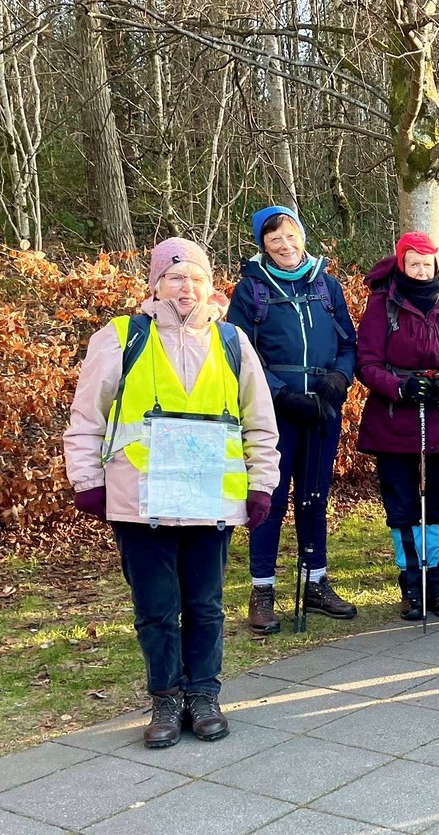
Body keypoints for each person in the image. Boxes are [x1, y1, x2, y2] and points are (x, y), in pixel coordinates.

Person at [64, 238, 280, 748]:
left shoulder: (232, 342)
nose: (187, 287)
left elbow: (259, 422)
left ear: (210, 285)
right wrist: (88, 481)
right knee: (156, 608)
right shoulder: (120, 338)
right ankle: (166, 697)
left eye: (197, 278)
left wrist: (261, 483)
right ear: (157, 283)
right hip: (140, 501)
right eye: (176, 277)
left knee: (206, 605)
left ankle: (204, 694)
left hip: (211, 502)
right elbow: (86, 419)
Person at [227, 206, 359, 634]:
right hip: (274, 410)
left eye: (290, 235)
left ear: (303, 235)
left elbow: (348, 342)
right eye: (274, 239)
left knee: (315, 496)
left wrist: (340, 377)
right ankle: (262, 589)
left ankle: (315, 580)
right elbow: (240, 351)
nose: (285, 245)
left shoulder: (327, 285)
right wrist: (281, 394)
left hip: (324, 406)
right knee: (271, 497)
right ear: (262, 244)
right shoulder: (250, 290)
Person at [357, 233, 439, 619]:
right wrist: (401, 387)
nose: (421, 270)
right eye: (414, 263)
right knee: (403, 508)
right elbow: (366, 363)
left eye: (427, 264)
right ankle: (412, 586)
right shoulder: (383, 304)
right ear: (401, 263)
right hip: (396, 423)